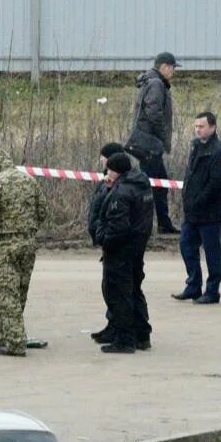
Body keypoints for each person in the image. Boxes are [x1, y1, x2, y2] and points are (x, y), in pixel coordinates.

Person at [0, 148, 47, 357]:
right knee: (19, 290)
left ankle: (15, 343)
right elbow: (42, 210)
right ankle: (4, 331)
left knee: (7, 294)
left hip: (5, 243)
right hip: (28, 241)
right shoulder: (29, 180)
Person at [94, 153, 154, 353]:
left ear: (117, 171)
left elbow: (118, 228)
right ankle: (142, 335)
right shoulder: (141, 184)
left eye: (109, 169)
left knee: (119, 294)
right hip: (137, 248)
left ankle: (125, 340)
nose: (107, 173)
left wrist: (102, 237)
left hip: (121, 251)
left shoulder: (121, 193)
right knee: (134, 291)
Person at [172, 111, 221, 305]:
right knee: (186, 245)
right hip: (192, 212)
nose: (198, 130)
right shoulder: (195, 146)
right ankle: (193, 286)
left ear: (212, 128)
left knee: (212, 253)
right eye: (196, 126)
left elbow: (215, 184)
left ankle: (212, 291)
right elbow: (190, 176)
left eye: (202, 126)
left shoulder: (219, 152)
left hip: (210, 212)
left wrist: (198, 200)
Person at [132, 51, 180, 234]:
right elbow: (154, 112)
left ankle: (163, 223)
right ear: (165, 67)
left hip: (148, 143)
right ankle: (143, 225)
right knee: (148, 186)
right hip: (150, 144)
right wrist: (162, 135)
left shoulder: (151, 81)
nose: (174, 71)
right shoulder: (156, 84)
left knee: (161, 184)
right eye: (173, 67)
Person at [87, 142, 120, 344]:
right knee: (108, 288)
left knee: (115, 289)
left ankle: (119, 329)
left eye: (104, 157)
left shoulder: (119, 185)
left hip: (114, 244)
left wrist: (104, 235)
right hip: (105, 241)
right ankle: (112, 325)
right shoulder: (108, 181)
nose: (101, 160)